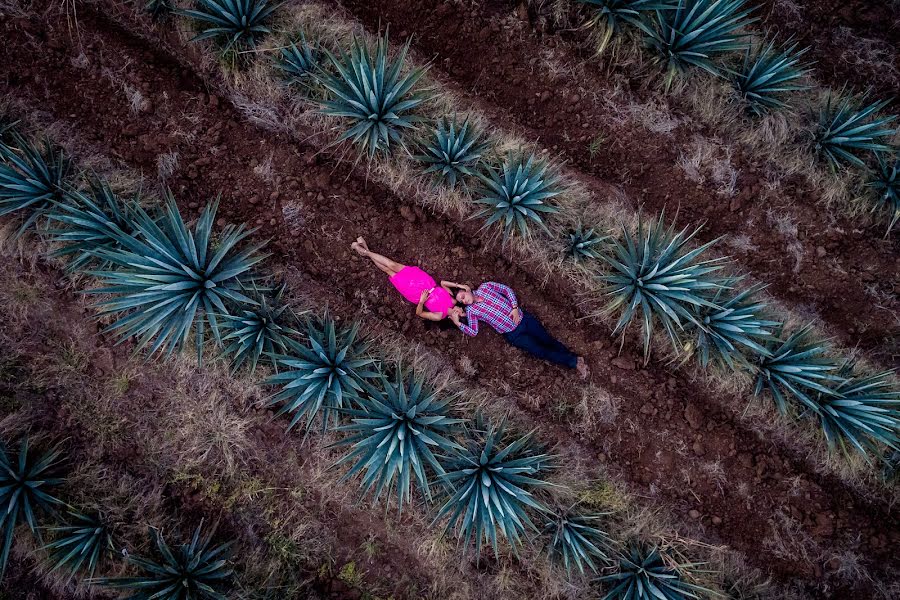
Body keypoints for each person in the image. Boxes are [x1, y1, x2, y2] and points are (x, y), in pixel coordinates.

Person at [450, 281, 590, 379]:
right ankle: (575, 362)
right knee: (540, 351)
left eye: (462, 296)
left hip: (524, 319)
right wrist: (458, 323)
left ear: (467, 289)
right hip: (513, 334)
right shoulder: (471, 312)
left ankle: (574, 359)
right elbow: (473, 332)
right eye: (461, 301)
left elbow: (506, 290)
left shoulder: (485, 287)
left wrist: (515, 308)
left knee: (547, 340)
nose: (464, 301)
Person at [351, 237, 465, 323]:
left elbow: (419, 313)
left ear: (455, 319)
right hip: (425, 281)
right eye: (463, 311)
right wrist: (460, 286)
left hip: (415, 293)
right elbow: (443, 283)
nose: (460, 311)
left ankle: (364, 251)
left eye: (461, 315)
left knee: (388, 270)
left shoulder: (439, 316)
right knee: (392, 264)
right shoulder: (453, 300)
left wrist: (421, 301)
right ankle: (365, 251)